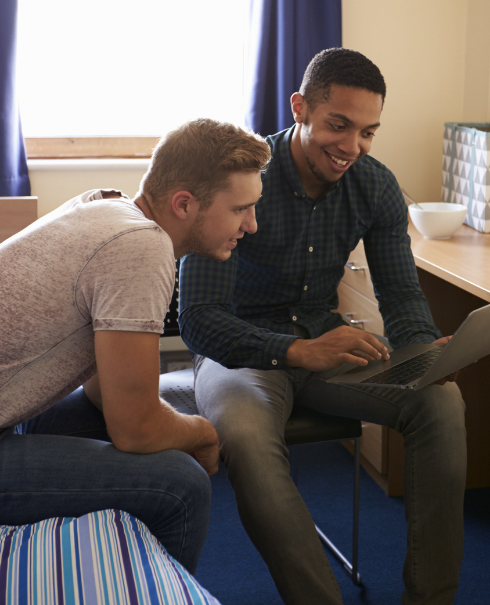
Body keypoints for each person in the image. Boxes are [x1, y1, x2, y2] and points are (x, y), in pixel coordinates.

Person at [0, 118, 271, 574]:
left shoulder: (102, 206)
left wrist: (162, 425)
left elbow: (102, 396)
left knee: (121, 420)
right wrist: (204, 434)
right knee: (181, 483)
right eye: (240, 208)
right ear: (184, 203)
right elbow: (137, 430)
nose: (252, 224)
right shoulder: (140, 248)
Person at [179, 49, 468, 604]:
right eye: (339, 125)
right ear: (300, 109)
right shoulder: (236, 178)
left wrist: (424, 353)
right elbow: (199, 319)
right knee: (243, 435)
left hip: (328, 345)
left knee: (442, 401)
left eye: (368, 132)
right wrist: (295, 351)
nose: (352, 147)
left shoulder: (376, 186)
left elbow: (401, 292)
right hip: (239, 353)